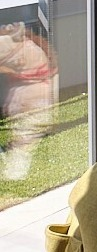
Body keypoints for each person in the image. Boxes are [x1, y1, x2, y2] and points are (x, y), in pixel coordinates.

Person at [0, 21, 58, 181]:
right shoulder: (26, 45)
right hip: (34, 90)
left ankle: (16, 168)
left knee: (26, 133)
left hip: (33, 93)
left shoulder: (17, 46)